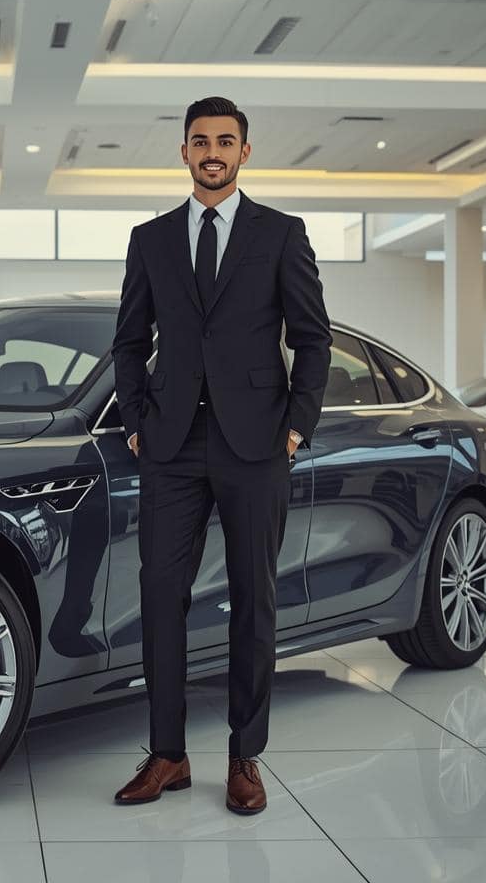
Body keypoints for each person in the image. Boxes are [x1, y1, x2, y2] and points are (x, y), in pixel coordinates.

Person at [110, 96, 331, 815]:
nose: (212, 151)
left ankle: (245, 757)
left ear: (245, 152)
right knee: (161, 599)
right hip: (170, 444)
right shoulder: (151, 239)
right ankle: (168, 755)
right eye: (200, 140)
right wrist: (139, 419)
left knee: (253, 601)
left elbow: (313, 337)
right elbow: (128, 341)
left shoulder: (282, 234)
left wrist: (296, 426)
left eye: (225, 141)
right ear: (183, 152)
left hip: (256, 442)